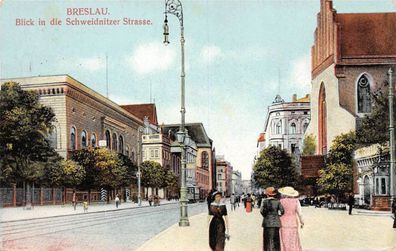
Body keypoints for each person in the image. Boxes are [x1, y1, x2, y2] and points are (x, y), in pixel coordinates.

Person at [279, 186, 304, 251]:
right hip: (293, 222)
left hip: (283, 222)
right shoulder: (296, 201)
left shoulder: (281, 201)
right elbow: (300, 213)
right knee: (293, 240)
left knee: (284, 240)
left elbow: (278, 212)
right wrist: (302, 222)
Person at [261, 187, 284, 251]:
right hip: (276, 222)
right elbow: (282, 211)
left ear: (267, 194)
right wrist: (278, 215)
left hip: (267, 223)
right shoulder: (278, 201)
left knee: (267, 239)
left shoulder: (265, 202)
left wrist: (266, 216)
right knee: (276, 239)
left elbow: (262, 211)